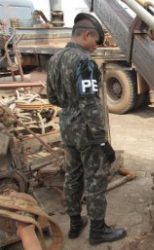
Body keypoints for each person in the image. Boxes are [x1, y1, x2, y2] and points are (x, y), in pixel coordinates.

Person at [46, 13, 126, 245]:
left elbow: (52, 97)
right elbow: (91, 104)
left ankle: (74, 224)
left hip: (67, 126)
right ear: (86, 35)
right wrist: (102, 141)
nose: (96, 47)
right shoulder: (84, 62)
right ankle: (98, 231)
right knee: (95, 179)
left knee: (72, 175)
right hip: (87, 130)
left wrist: (70, 108)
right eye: (95, 42)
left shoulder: (55, 59)